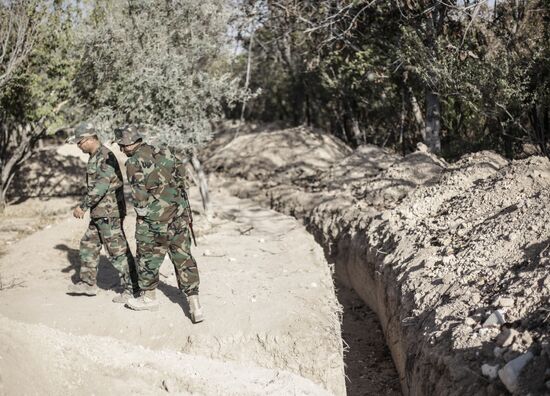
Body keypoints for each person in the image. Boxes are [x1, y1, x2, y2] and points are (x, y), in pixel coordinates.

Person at [114, 125, 204, 323]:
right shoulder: (165, 151)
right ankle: (195, 303)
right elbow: (183, 178)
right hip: (179, 217)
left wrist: (146, 216)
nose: (121, 150)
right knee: (183, 257)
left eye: (122, 146)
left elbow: (139, 198)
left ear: (130, 144)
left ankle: (149, 299)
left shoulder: (133, 162)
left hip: (154, 222)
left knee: (147, 258)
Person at [66, 122, 139, 303]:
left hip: (109, 213)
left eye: (80, 142)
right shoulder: (96, 156)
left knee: (117, 251)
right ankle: (87, 283)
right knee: (88, 244)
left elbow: (101, 186)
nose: (78, 146)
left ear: (90, 139)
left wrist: (83, 206)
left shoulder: (105, 156)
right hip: (101, 212)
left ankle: (133, 288)